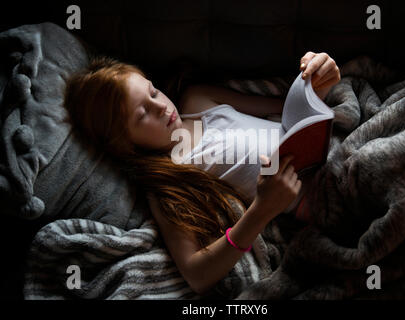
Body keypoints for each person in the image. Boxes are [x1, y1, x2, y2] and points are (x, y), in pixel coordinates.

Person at [64, 51, 340, 296]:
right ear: (123, 143)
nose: (161, 106)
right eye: (143, 113)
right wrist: (262, 210)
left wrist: (316, 83)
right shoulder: (168, 182)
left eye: (153, 92)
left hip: (334, 152)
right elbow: (197, 275)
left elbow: (287, 111)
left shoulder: (199, 100)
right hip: (320, 201)